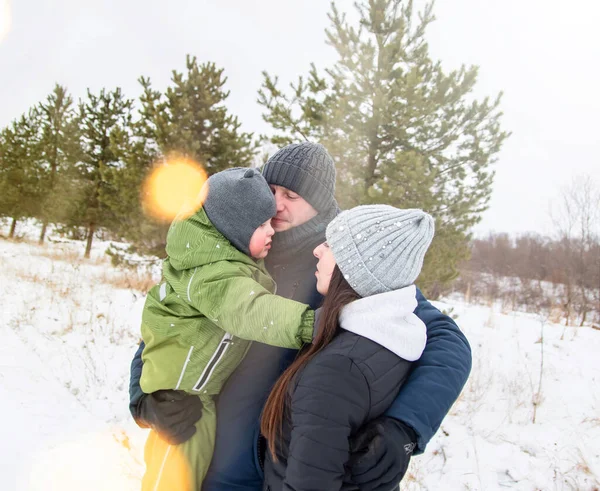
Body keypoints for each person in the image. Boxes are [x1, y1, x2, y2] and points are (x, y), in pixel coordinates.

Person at [129, 142, 472, 491]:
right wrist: (144, 399)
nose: (276, 204)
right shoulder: (229, 246)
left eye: (291, 195)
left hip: (283, 474)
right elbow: (167, 319)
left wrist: (406, 426)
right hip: (199, 461)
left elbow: (447, 341)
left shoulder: (345, 266)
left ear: (319, 204)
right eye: (270, 190)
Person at [139, 167, 317, 491]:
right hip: (186, 396)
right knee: (173, 476)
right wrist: (312, 323)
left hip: (201, 395)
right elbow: (249, 308)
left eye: (291, 196)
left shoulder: (220, 256)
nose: (275, 217)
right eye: (261, 224)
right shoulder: (213, 273)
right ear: (234, 230)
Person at [262, 204, 434, 490]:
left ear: (355, 270)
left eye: (330, 245)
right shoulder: (394, 339)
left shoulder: (337, 371)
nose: (317, 250)